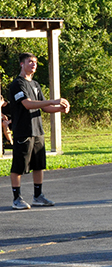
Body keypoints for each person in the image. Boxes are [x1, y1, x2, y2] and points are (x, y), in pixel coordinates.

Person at [9, 53, 71, 210]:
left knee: (38, 165)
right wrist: (53, 100)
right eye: (30, 62)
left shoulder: (35, 84)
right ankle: (17, 199)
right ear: (22, 64)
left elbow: (44, 107)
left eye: (35, 62)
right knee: (19, 166)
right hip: (23, 132)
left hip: (38, 131)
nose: (33, 65)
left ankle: (38, 196)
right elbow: (27, 104)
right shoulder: (17, 84)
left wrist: (59, 109)